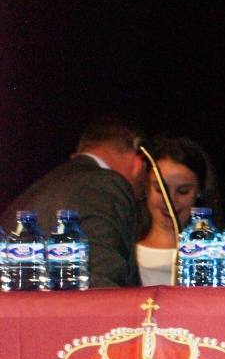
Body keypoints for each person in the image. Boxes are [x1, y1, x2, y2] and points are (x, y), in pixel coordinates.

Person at [1, 115, 146, 287]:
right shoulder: (104, 184)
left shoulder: (31, 194)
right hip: (78, 311)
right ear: (139, 162)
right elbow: (102, 282)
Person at [136, 136, 222, 286]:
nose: (170, 200)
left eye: (182, 191)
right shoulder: (123, 252)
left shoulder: (218, 253)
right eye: (160, 189)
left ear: (199, 193)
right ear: (146, 188)